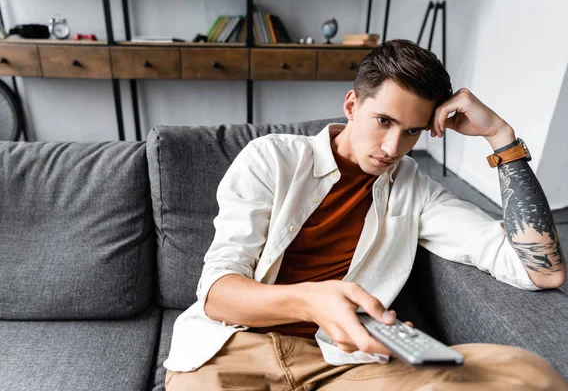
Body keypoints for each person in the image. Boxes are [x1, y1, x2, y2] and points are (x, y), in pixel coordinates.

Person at [164, 39, 567, 390]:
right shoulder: (273, 158)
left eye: (412, 131)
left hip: (340, 365)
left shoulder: (413, 188)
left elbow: (542, 270)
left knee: (530, 376)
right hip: (233, 352)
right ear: (352, 104)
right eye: (384, 121)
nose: (393, 147)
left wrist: (501, 137)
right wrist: (309, 301)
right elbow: (217, 294)